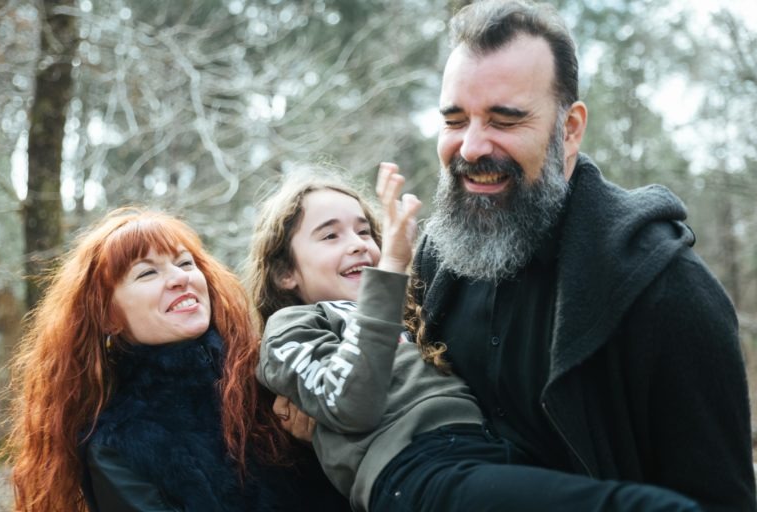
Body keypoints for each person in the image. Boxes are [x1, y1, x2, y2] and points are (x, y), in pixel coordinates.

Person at [407, 1, 756, 511]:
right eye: (455, 120)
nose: (473, 146)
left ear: (569, 130)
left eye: (505, 119)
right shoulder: (434, 262)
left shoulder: (667, 293)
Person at [245, 166, 703, 512]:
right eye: (331, 235)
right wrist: (390, 273)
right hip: (416, 472)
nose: (360, 244)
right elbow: (351, 402)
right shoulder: (292, 329)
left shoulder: (411, 315)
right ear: (285, 271)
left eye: (366, 230)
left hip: (487, 453)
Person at [0, 207, 349, 511]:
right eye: (147, 273)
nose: (180, 278)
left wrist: (318, 446)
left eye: (185, 263)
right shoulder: (116, 446)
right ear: (108, 316)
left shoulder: (272, 373)